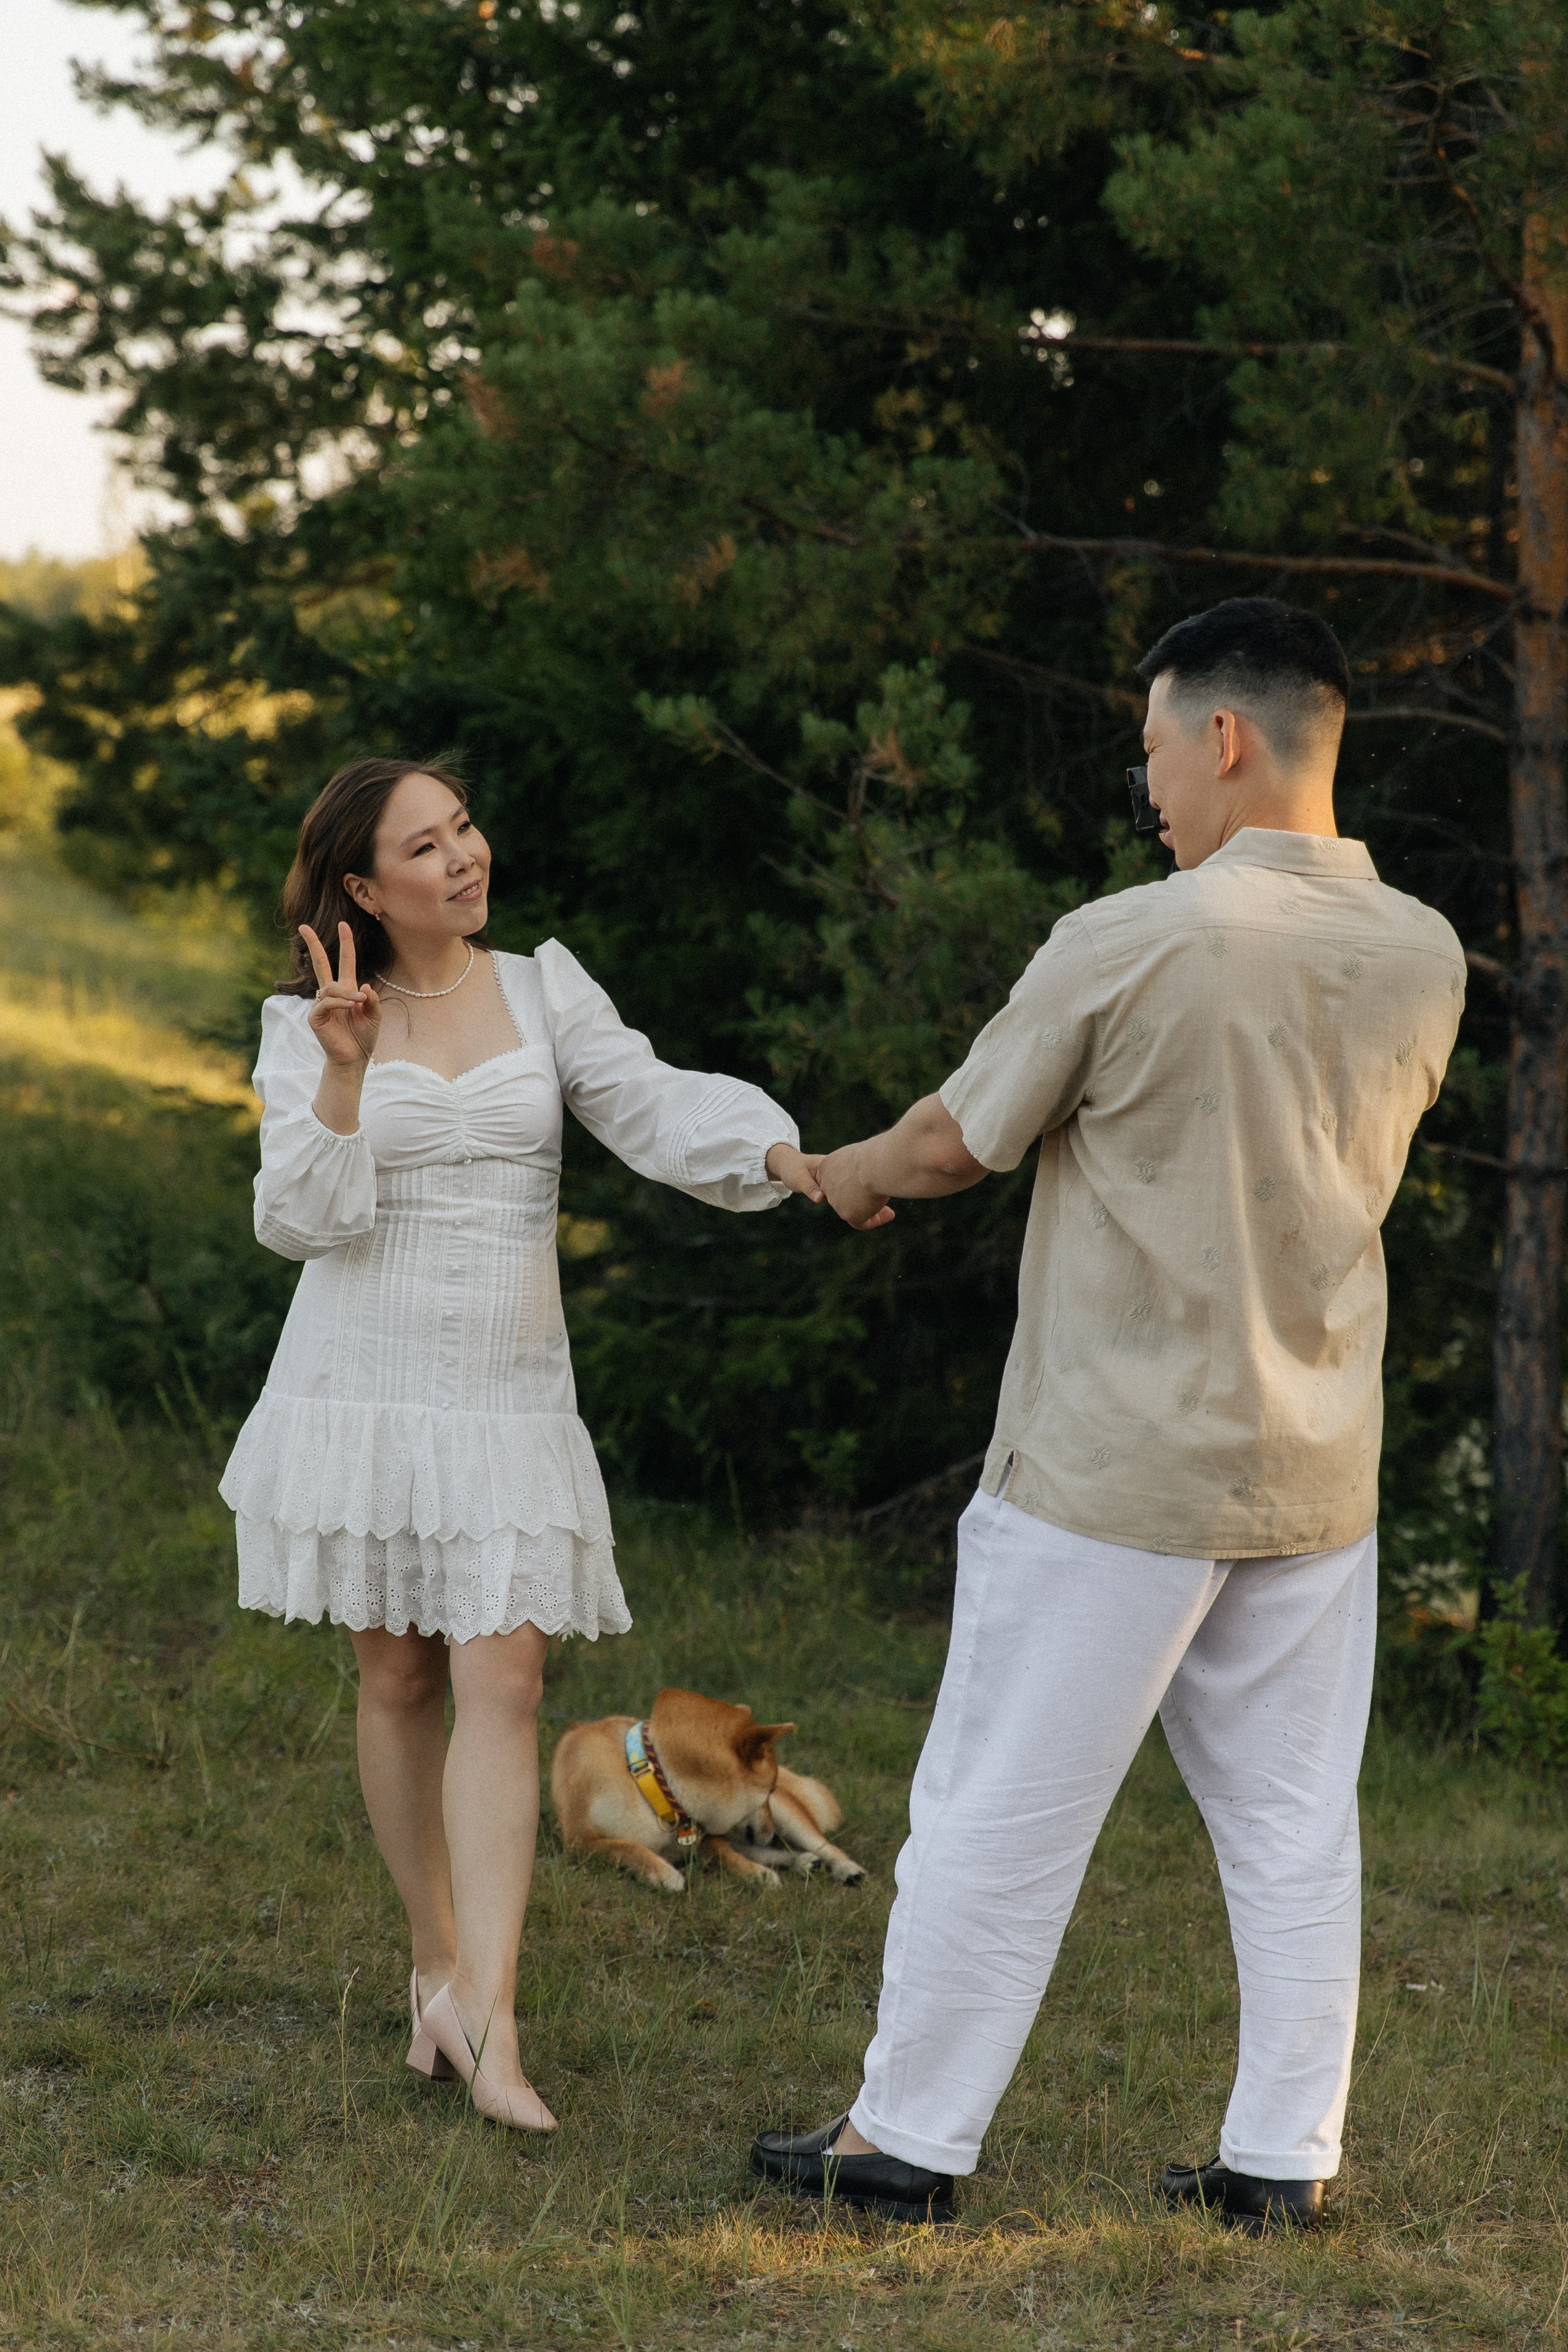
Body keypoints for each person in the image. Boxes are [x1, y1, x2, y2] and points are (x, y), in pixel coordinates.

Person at [749, 598, 1466, 2232]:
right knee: (1294, 1823)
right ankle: (1285, 2160)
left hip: (1116, 1461)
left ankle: (906, 2143)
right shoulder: (1426, 948)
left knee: (996, 1803)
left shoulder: (1132, 932)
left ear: (1225, 740)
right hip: (1314, 1458)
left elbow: (952, 1142)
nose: (1147, 784)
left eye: (1153, 748)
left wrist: (834, 1170)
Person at [219, 756, 821, 2131]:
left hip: (508, 1390)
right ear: (364, 886)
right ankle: (433, 1962)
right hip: (362, 1381)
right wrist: (344, 1070)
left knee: (507, 1663)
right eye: (425, 847)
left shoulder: (548, 984)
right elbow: (297, 1219)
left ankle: (491, 2013)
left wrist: (780, 1158)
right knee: (394, 1670)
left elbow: (654, 1102)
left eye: (467, 826)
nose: (464, 856)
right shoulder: (304, 1023)